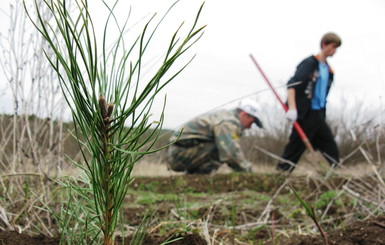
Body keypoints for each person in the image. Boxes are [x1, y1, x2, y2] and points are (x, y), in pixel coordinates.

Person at [276, 32, 342, 172]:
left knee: (330, 147)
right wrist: (292, 108)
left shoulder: (329, 71)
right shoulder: (309, 64)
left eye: (336, 48)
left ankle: (333, 175)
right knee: (296, 145)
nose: (335, 51)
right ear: (324, 44)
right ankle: (281, 172)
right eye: (333, 47)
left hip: (319, 113)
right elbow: (292, 85)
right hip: (305, 112)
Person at [166, 99, 263, 174]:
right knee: (221, 147)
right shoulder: (227, 121)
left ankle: (197, 177)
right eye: (252, 122)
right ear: (245, 115)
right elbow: (230, 153)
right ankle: (200, 176)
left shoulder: (227, 117)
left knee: (220, 146)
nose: (250, 127)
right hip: (177, 154)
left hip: (182, 152)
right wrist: (249, 171)